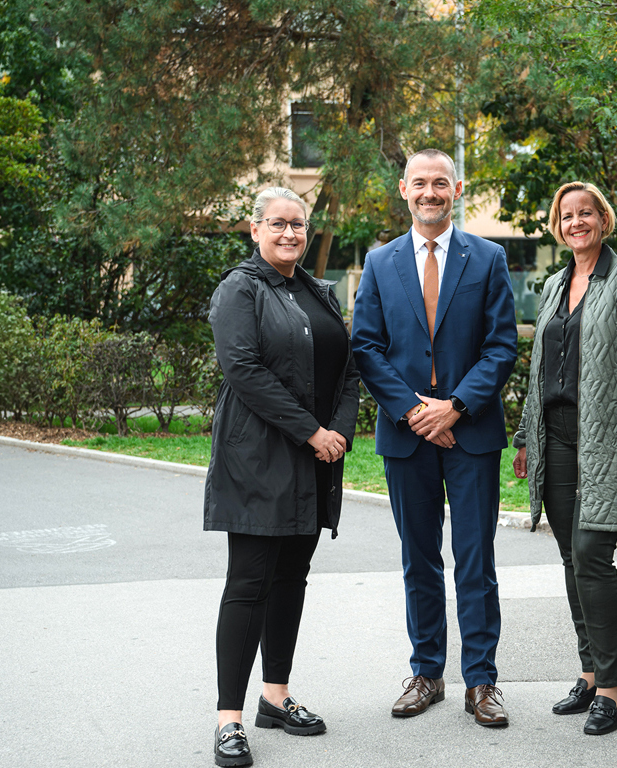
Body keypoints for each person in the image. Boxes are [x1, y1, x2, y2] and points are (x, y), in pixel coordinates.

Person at [351, 149, 518, 727]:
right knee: (419, 561)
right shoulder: (379, 263)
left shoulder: (489, 257)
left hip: (471, 435)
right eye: (419, 183)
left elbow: (501, 347)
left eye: (440, 183)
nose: (430, 192)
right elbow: (366, 347)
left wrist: (455, 408)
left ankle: (482, 682)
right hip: (406, 438)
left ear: (458, 188)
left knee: (475, 562)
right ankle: (427, 673)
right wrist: (414, 411)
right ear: (404, 189)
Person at [205, 187, 360, 767]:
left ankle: (276, 696)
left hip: (314, 459)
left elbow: (349, 369)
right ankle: (228, 719)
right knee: (248, 583)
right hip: (258, 457)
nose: (290, 233)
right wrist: (311, 432)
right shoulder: (239, 289)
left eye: (298, 225)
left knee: (292, 577)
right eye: (278, 224)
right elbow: (242, 369)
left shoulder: (317, 291)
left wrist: (338, 432)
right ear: (255, 229)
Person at [512, 182, 617, 735]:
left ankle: (611, 687)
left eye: (586, 213)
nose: (576, 222)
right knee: (568, 558)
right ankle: (588, 672)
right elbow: (539, 370)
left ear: (604, 218)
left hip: (605, 440)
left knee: (591, 555)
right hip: (555, 439)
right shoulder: (555, 283)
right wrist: (527, 436)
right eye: (566, 215)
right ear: (558, 225)